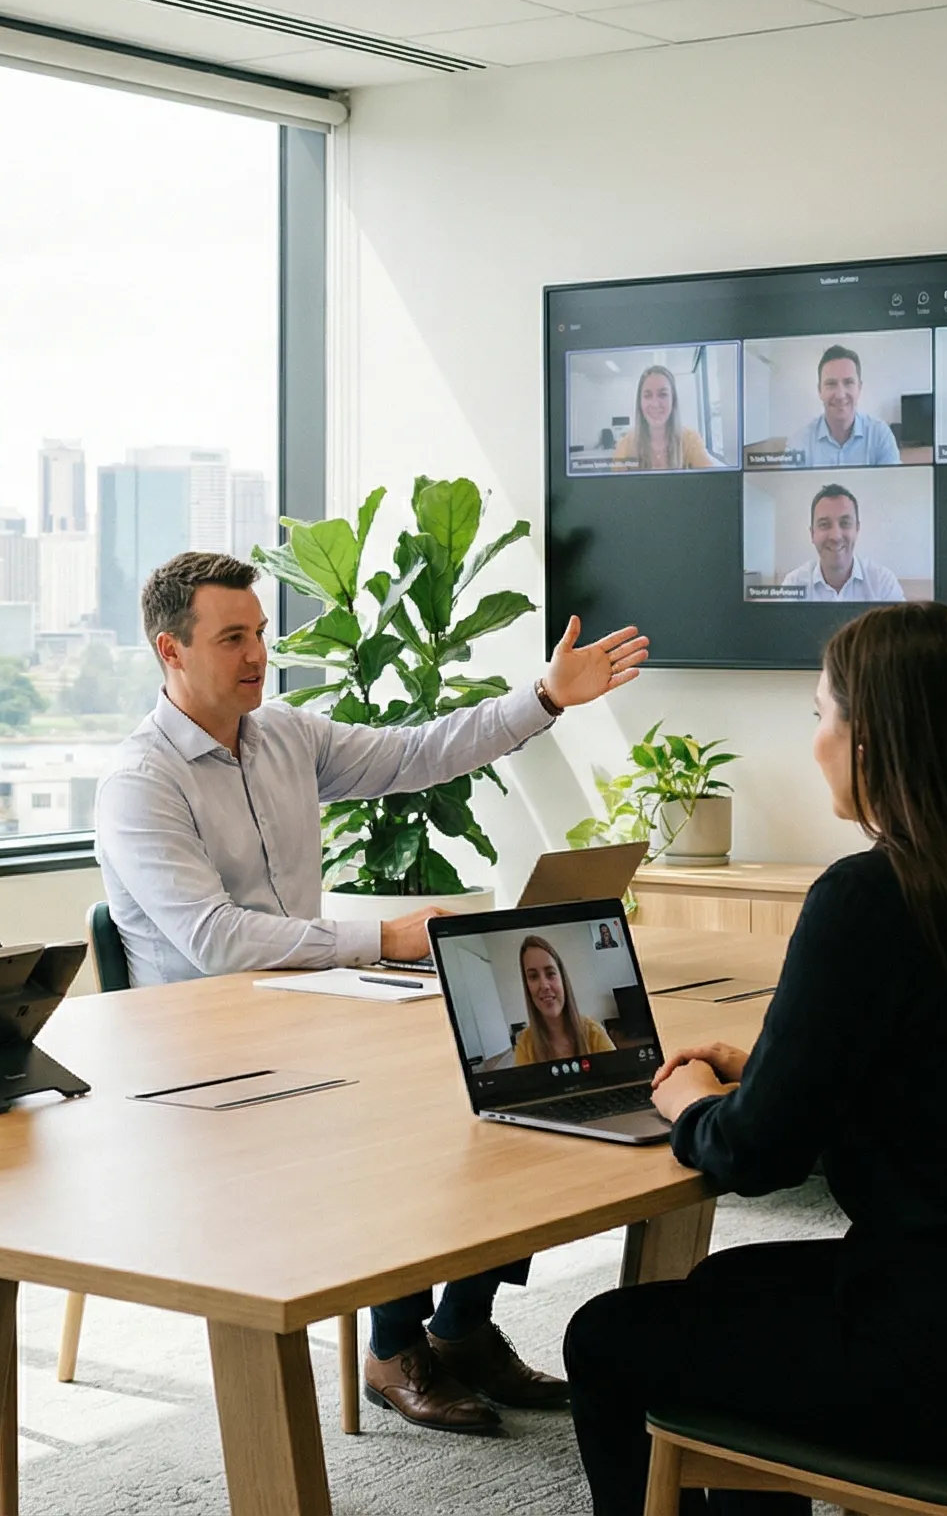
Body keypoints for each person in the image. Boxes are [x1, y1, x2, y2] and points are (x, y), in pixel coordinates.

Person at [561, 602, 947, 1516]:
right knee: (723, 1286)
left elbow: (759, 1157)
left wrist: (692, 1106)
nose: (815, 743)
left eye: (820, 715)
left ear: (871, 739)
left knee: (604, 1335)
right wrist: (779, 1064)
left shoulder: (869, 898)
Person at [95, 551, 651, 1436]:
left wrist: (544, 698)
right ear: (170, 649)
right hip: (202, 1057)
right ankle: (395, 1347)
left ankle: (462, 1325)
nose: (257, 655)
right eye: (233, 637)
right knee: (416, 1116)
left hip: (313, 1016)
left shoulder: (284, 735)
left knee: (511, 1077)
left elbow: (419, 752)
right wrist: (381, 938)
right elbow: (215, 939)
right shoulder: (139, 782)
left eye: (262, 634)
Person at [777, 484, 905, 602]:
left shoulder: (883, 583)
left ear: (857, 529)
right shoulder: (793, 583)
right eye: (824, 525)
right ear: (812, 534)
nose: (836, 537)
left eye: (845, 523)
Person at [508, 934, 617, 1065]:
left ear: (562, 979)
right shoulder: (525, 1045)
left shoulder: (594, 1033)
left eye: (550, 973)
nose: (544, 985)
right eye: (533, 976)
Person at [792, 345, 902, 466]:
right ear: (819, 391)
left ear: (859, 388)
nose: (840, 395)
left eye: (848, 382)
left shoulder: (880, 435)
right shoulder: (800, 441)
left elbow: (894, 484)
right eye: (831, 384)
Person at [609, 362, 723, 471]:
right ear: (640, 403)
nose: (655, 403)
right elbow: (617, 489)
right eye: (647, 396)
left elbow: (711, 482)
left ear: (673, 400)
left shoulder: (690, 440)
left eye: (662, 394)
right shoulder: (625, 444)